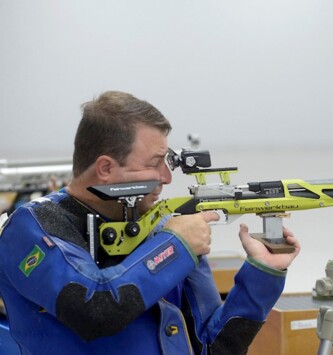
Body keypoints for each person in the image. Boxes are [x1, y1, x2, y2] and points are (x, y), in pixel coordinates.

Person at [0, 91, 301, 354]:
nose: (167, 178)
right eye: (153, 163)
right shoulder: (32, 227)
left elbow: (213, 347)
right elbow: (95, 309)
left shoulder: (160, 230)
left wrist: (262, 274)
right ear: (105, 168)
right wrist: (174, 247)